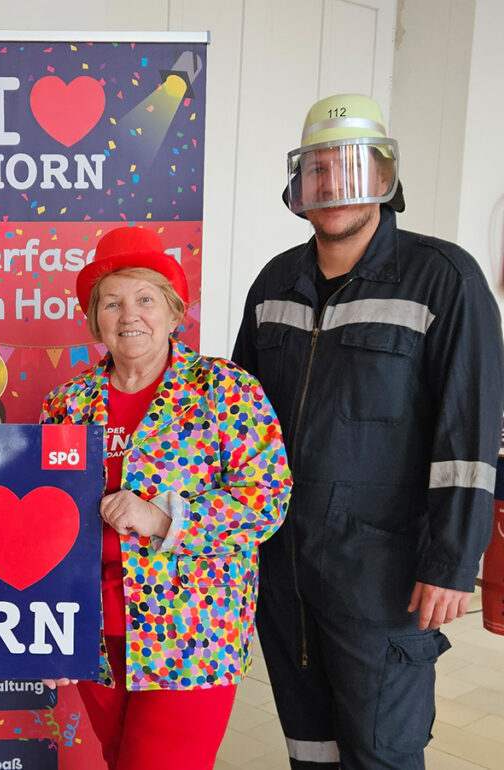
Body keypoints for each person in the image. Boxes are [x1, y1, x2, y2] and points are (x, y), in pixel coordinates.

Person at [232, 93, 504, 769]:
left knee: (381, 751)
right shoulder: (274, 283)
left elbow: (469, 437)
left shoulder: (444, 279)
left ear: (385, 176)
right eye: (317, 169)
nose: (333, 184)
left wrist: (453, 561)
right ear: (298, 185)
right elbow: (234, 424)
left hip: (383, 572)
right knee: (309, 745)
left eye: (350, 166)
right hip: (282, 568)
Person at [40, 225, 291, 770]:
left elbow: (267, 499)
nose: (129, 315)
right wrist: (47, 628)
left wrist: (163, 518)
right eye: (112, 303)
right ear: (95, 320)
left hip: (191, 631)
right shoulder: (67, 404)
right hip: (92, 631)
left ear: (175, 313)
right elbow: (45, 523)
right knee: (119, 760)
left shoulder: (226, 390)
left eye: (145, 299)